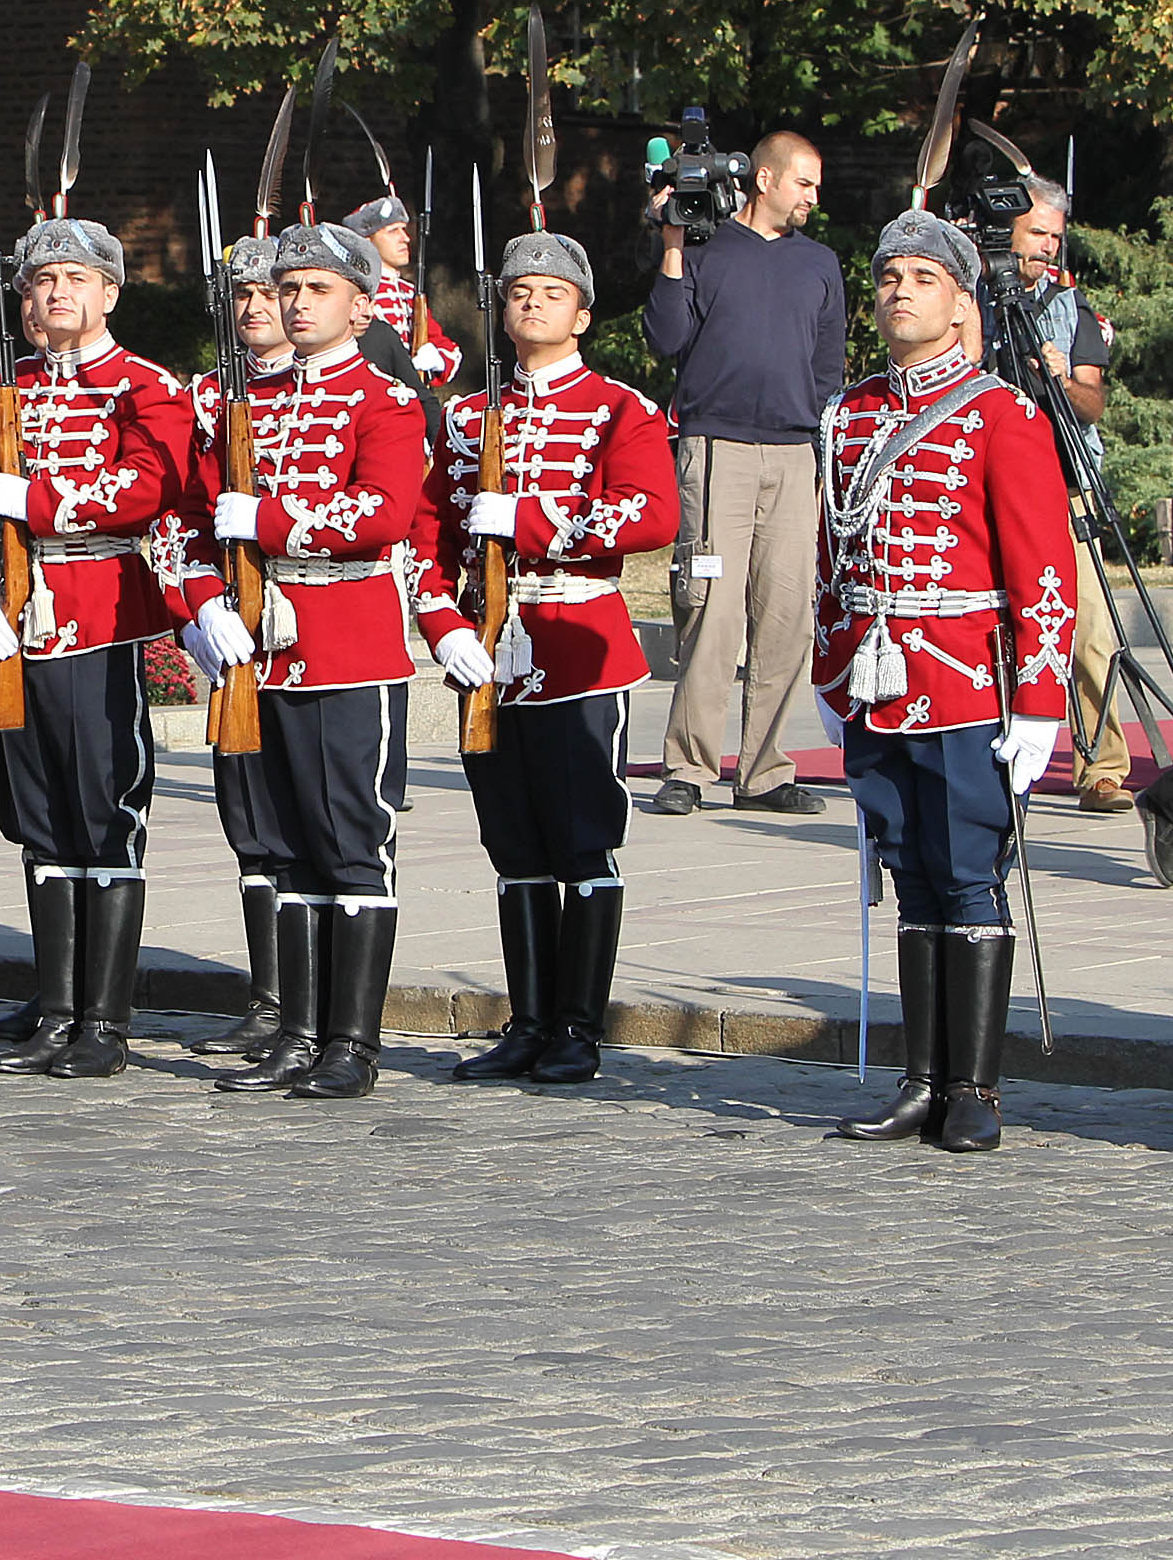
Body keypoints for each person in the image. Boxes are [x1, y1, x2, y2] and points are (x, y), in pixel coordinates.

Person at [185, 221, 475, 1099]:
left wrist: (267, 524)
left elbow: (385, 514)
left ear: (360, 302)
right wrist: (202, 603)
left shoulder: (385, 402)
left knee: (353, 845)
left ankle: (353, 1041)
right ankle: (299, 1029)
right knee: (287, 847)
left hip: (347, 641)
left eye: (316, 289)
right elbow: (189, 522)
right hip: (258, 650)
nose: (296, 304)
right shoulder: (246, 405)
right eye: (288, 289)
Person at [815, 211, 1074, 1155]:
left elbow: (1043, 565)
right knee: (907, 867)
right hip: (875, 677)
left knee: (969, 871)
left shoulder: (1002, 413)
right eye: (887, 275)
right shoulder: (850, 413)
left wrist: (1042, 697)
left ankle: (976, 1085)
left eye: (922, 277)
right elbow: (832, 551)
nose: (897, 292)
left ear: (962, 300)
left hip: (964, 678)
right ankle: (919, 1077)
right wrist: (827, 664)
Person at [0, 215, 187, 1078]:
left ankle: (103, 1017)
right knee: (37, 818)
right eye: (42, 281)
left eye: (75, 279)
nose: (56, 294)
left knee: (103, 812)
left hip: (97, 611)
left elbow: (150, 485)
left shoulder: (145, 384)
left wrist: (40, 502)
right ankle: (56, 1002)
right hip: (10, 618)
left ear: (109, 292)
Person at [438, 230, 678, 1085]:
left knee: (583, 843)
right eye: (517, 291)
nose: (531, 302)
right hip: (489, 654)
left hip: (579, 647)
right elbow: (430, 538)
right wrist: (445, 628)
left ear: (582, 311)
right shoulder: (466, 416)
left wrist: (535, 525)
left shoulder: (621, 408)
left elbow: (651, 516)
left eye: (550, 291)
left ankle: (580, 1024)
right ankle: (529, 1019)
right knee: (513, 845)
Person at [642, 130, 848, 817]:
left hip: (795, 456)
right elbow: (666, 338)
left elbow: (828, 362)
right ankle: (689, 766)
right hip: (716, 448)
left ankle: (765, 770)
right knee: (712, 609)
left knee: (785, 615)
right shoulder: (704, 250)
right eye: (804, 183)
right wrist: (671, 245)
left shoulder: (819, 263)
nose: (813, 198)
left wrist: (819, 439)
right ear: (764, 179)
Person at [172, 238, 302, 1058]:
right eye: (242, 295)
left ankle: (312, 1002)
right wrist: (198, 605)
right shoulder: (207, 398)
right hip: (233, 626)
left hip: (307, 619)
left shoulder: (336, 389)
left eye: (269, 292)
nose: (255, 307)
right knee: (248, 818)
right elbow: (178, 513)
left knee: (315, 819)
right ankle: (268, 995)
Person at [990, 181, 1134, 813]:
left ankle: (1101, 766)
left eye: (1054, 236)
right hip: (988, 489)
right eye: (1036, 234)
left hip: (1066, 485)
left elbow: (1094, 403)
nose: (1047, 248)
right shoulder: (971, 300)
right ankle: (991, 753)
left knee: (1092, 631)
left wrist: (1059, 378)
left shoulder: (1072, 309)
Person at [341, 195, 459, 383]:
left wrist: (438, 360)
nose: (405, 238)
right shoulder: (351, 288)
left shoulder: (409, 292)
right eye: (392, 231)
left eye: (403, 230)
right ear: (367, 241)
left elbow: (442, 343)